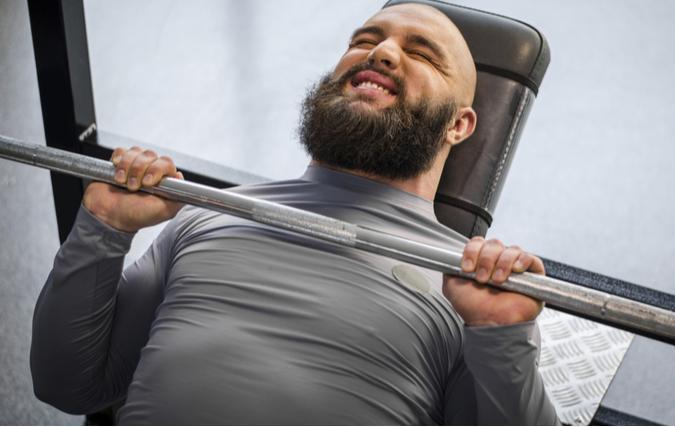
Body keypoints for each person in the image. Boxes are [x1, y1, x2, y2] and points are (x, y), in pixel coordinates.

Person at [31, 3, 560, 425]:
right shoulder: (209, 217)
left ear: (460, 125)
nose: (383, 53)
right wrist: (104, 225)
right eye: (364, 40)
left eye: (422, 53)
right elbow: (67, 384)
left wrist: (502, 338)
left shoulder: (465, 291)